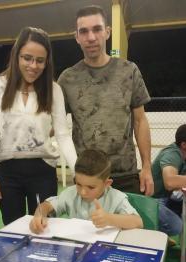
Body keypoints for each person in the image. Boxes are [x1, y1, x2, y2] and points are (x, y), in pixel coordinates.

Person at [0, 27, 77, 226]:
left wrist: (78, 171)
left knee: (43, 231)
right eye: (27, 58)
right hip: (7, 174)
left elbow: (63, 134)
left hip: (43, 173)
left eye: (40, 61)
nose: (33, 65)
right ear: (16, 56)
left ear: (46, 62)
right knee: (13, 232)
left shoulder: (54, 90)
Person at [57, 5, 154, 196]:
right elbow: (54, 124)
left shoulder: (129, 71)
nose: (91, 37)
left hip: (126, 174)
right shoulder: (67, 79)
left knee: (129, 226)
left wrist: (147, 168)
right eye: (84, 31)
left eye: (97, 29)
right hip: (87, 178)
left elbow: (140, 121)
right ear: (76, 37)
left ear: (107, 32)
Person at [30, 149, 143, 234]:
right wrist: (39, 214)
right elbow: (47, 205)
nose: (83, 192)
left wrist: (109, 219)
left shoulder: (116, 198)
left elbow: (138, 222)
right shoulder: (71, 193)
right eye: (78, 184)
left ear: (106, 184)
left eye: (91, 187)